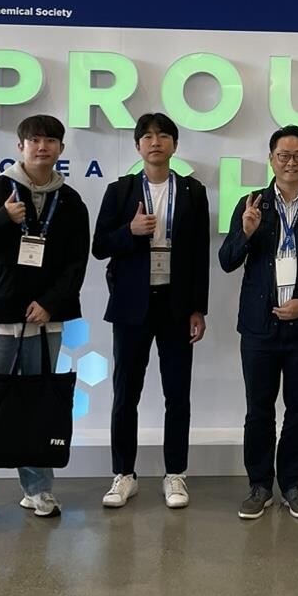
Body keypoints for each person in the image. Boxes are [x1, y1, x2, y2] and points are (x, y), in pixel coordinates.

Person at [0, 115, 90, 529]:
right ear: (20, 146)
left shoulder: (71, 201)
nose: (42, 147)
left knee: (38, 403)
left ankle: (37, 489)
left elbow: (76, 262)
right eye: (34, 140)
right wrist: (1, 219)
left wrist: (50, 303)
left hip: (44, 321)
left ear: (61, 149)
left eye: (51, 140)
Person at [219, 125, 298, 520]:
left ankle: (293, 485)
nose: (291, 162)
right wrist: (245, 232)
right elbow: (227, 261)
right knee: (258, 410)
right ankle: (259, 485)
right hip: (259, 327)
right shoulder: (252, 203)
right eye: (283, 155)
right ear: (271, 159)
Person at [92, 113, 209, 510]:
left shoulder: (192, 191)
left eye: (162, 136)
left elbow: (199, 255)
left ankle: (175, 474)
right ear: (137, 146)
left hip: (176, 306)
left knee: (178, 394)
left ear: (174, 144)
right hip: (132, 306)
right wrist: (130, 231)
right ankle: (124, 474)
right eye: (147, 136)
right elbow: (100, 246)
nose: (155, 142)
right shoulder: (120, 190)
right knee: (126, 393)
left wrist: (198, 308)